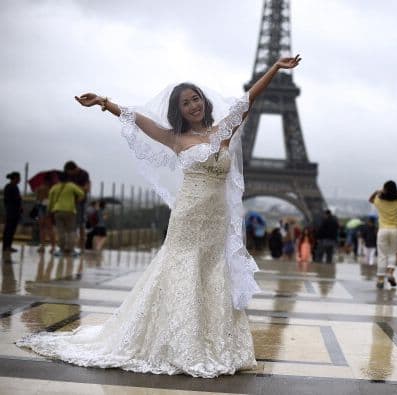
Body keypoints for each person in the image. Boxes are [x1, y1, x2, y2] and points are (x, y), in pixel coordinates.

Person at [17, 55, 302, 377]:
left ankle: (209, 342)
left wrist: (275, 68)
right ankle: (176, 341)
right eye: (185, 103)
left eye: (195, 99)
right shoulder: (174, 138)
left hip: (215, 219)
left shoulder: (224, 131)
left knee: (210, 274)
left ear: (204, 102)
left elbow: (249, 98)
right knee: (180, 270)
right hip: (188, 216)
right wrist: (104, 102)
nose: (192, 105)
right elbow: (136, 119)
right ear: (178, 111)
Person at [369, 180, 397, 289]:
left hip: (383, 230)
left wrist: (377, 191)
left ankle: (380, 279)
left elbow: (370, 200)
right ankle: (390, 272)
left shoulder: (379, 201)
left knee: (382, 255)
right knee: (392, 253)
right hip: (395, 230)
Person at [48, 172, 85, 256]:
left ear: (59, 179)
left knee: (60, 231)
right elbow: (82, 194)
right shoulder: (71, 186)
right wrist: (76, 201)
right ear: (68, 178)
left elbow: (50, 200)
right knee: (71, 231)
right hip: (70, 211)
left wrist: (49, 210)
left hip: (57, 211)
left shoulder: (55, 187)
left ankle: (61, 250)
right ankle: (71, 250)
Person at [64, 161, 91, 252]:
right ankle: (70, 246)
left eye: (69, 172)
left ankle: (82, 247)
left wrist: (74, 187)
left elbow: (86, 188)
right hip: (69, 202)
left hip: (81, 203)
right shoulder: (68, 176)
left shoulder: (84, 174)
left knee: (81, 224)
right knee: (70, 225)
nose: (69, 174)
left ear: (73, 169)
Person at [2, 172, 22, 262]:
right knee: (10, 229)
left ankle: (7, 246)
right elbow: (16, 199)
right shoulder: (12, 187)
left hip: (11, 211)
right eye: (19, 178)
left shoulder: (9, 187)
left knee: (9, 229)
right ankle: (7, 246)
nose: (20, 180)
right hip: (12, 211)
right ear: (15, 178)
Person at [35, 173, 56, 253]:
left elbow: (37, 199)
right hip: (49, 208)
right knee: (50, 228)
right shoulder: (52, 189)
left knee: (42, 228)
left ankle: (42, 246)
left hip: (40, 207)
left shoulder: (39, 188)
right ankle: (53, 247)